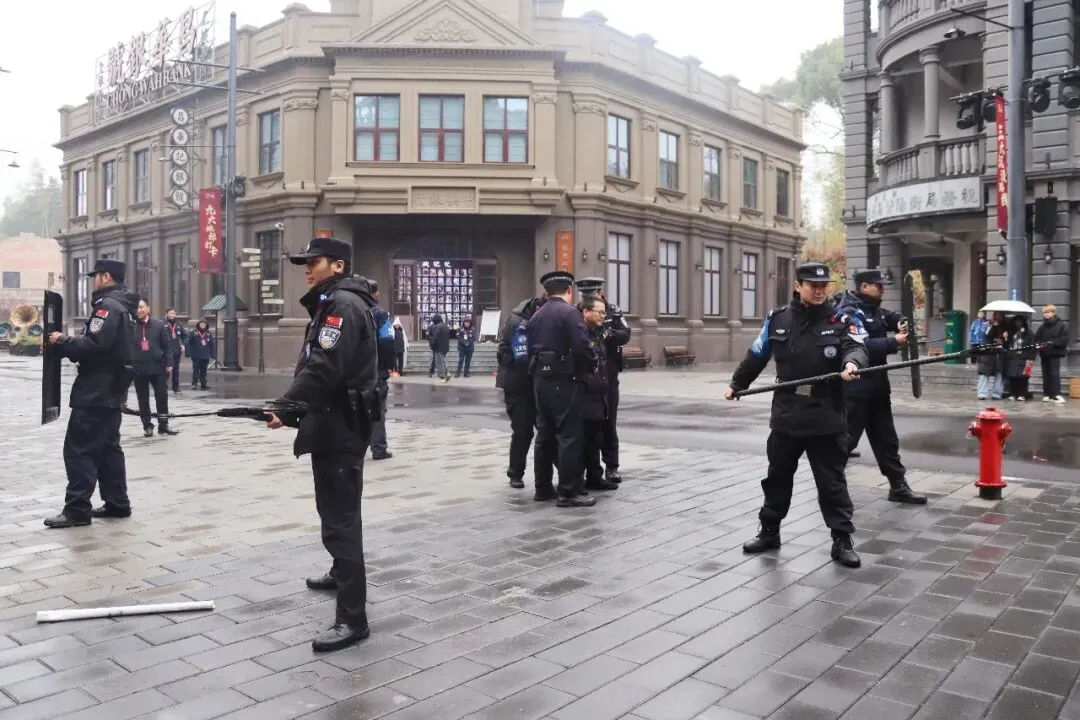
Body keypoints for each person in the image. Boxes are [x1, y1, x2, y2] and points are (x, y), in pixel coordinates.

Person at [264, 236, 380, 653]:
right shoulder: (336, 302)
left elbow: (324, 368)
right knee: (336, 510)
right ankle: (339, 574)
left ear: (339, 265)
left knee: (339, 519)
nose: (308, 269)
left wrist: (285, 407)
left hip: (340, 426)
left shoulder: (342, 306)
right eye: (306, 263)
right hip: (338, 420)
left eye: (315, 262)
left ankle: (352, 618)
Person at [725, 262, 869, 568]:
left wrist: (852, 364)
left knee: (831, 483)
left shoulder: (841, 319)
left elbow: (856, 348)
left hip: (826, 414)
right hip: (787, 412)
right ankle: (769, 531)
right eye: (812, 285)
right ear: (797, 286)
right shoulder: (778, 319)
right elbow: (757, 354)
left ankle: (842, 540)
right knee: (777, 477)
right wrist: (738, 384)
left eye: (823, 286)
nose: (819, 291)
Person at [44, 259, 138, 528]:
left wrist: (62, 341)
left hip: (95, 390)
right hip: (113, 389)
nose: (92, 280)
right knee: (108, 449)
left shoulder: (107, 306)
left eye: (95, 276)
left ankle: (77, 510)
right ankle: (117, 503)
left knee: (79, 449)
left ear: (105, 276)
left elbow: (95, 345)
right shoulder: (125, 307)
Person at [835, 269, 924, 505]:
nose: (883, 289)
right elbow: (860, 345)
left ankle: (898, 486)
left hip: (878, 387)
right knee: (846, 440)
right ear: (864, 286)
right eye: (878, 285)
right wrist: (894, 341)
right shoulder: (849, 312)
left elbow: (890, 317)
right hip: (856, 389)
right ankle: (831, 487)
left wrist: (902, 321)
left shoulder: (874, 309)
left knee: (887, 440)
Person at [527, 270, 598, 508]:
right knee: (569, 436)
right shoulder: (570, 313)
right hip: (565, 380)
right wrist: (591, 365)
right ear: (569, 290)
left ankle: (543, 488)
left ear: (546, 292)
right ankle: (569, 491)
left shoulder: (536, 315)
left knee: (544, 435)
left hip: (540, 380)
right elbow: (582, 347)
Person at [574, 277, 631, 483]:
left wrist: (608, 334)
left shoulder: (612, 311)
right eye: (584, 296)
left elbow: (625, 334)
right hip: (587, 377)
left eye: (591, 294)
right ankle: (591, 470)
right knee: (588, 425)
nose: (587, 298)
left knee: (608, 422)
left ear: (599, 293)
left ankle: (612, 466)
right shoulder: (577, 312)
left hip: (609, 373)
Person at [496, 294, 547, 491]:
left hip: (537, 383)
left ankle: (559, 475)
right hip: (517, 385)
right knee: (523, 431)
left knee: (546, 431)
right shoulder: (517, 321)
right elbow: (506, 352)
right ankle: (515, 473)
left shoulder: (539, 318)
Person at [578, 294, 618, 492]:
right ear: (586, 312)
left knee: (596, 437)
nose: (603, 316)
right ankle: (578, 479)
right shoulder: (580, 332)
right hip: (585, 394)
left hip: (599, 394)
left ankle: (595, 476)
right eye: (599, 312)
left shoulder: (598, 332)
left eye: (604, 313)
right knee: (584, 439)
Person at [132, 299, 178, 438]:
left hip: (158, 368)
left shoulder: (158, 325)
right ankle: (147, 425)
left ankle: (163, 424)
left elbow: (167, 346)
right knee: (142, 398)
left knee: (161, 396)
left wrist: (169, 363)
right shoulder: (131, 326)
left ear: (148, 308)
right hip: (138, 368)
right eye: (137, 308)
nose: (139, 310)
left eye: (141, 307)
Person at [368, 281, 394, 461]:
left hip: (353, 372)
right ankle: (379, 449)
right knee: (377, 411)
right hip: (376, 371)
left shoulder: (349, 310)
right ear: (376, 294)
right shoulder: (380, 313)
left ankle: (354, 449)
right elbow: (386, 341)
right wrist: (388, 365)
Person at [1035, 304, 1069, 404]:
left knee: (1054, 374)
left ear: (1053, 313)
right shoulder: (1042, 327)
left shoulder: (1061, 325)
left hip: (1054, 353)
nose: (1046, 314)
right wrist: (1039, 345)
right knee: (1045, 374)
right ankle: (1047, 394)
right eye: (1044, 312)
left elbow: (1064, 338)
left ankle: (1056, 394)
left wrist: (1053, 343)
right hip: (1044, 353)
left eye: (1048, 312)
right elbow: (1037, 338)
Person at [1003, 314, 1036, 401]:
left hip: (1025, 358)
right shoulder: (1011, 332)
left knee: (1023, 377)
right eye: (1016, 321)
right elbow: (1006, 346)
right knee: (1013, 376)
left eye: (1020, 321)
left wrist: (1031, 359)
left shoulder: (1029, 333)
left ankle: (1022, 394)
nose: (1018, 323)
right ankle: (1012, 394)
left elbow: (1032, 347)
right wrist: (1005, 338)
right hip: (1013, 357)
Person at [164, 308, 188, 393]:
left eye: (173, 313)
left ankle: (176, 387)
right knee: (166, 369)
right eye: (170, 313)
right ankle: (164, 386)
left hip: (176, 351)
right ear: (167, 314)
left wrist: (183, 345)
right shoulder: (163, 324)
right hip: (166, 351)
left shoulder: (178, 324)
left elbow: (185, 336)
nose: (172, 315)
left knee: (176, 370)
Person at [188, 320, 214, 390]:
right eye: (201, 324)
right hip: (196, 355)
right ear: (198, 325)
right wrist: (189, 353)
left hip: (205, 355)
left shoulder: (208, 333)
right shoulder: (193, 333)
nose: (203, 325)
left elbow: (211, 344)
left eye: (204, 324)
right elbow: (189, 343)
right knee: (196, 370)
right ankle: (194, 383)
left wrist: (212, 354)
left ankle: (203, 384)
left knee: (204, 371)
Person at [428, 315, 450, 381]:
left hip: (438, 347)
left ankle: (442, 376)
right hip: (445, 347)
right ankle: (447, 373)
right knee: (442, 361)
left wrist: (430, 339)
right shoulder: (445, 326)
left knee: (439, 363)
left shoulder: (437, 327)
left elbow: (435, 337)